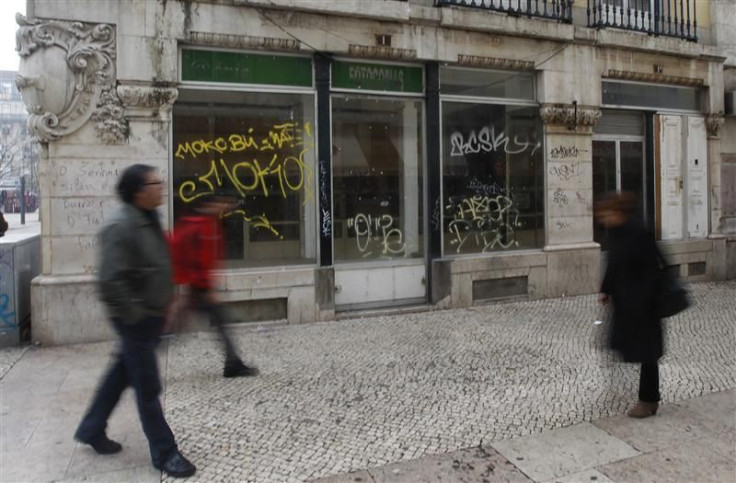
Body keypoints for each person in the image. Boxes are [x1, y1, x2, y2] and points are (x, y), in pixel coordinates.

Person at [74, 164, 196, 478]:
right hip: (136, 321)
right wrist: (137, 316)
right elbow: (110, 282)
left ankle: (91, 428)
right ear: (139, 192)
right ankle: (165, 453)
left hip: (151, 317)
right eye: (155, 183)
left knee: (120, 374)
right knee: (147, 386)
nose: (162, 186)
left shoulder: (149, 219)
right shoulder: (120, 226)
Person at [170, 194, 259, 378]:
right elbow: (198, 259)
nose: (226, 207)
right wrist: (207, 288)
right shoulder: (202, 226)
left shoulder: (202, 222)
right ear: (212, 204)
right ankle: (136, 355)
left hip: (196, 286)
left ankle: (233, 364)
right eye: (223, 203)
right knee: (179, 327)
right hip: (200, 288)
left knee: (187, 325)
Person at [597, 192, 663, 419]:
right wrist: (606, 288)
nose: (603, 219)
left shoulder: (638, 231)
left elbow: (652, 267)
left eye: (606, 214)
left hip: (642, 303)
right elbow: (614, 263)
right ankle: (646, 398)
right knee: (629, 345)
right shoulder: (617, 232)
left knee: (647, 352)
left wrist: (642, 299)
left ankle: (648, 400)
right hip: (626, 302)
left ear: (618, 212)